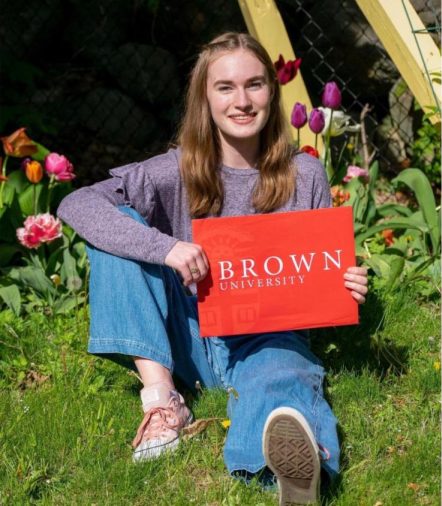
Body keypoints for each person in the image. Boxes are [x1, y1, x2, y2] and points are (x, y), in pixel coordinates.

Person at [58, 32, 367, 505]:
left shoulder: (304, 175)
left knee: (281, 375)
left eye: (255, 85)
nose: (242, 101)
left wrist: (342, 285)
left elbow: (315, 284)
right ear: (205, 98)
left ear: (272, 92)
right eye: (226, 87)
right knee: (118, 229)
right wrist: (165, 248)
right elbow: (79, 203)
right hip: (183, 334)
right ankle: (163, 401)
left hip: (266, 337)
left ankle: (291, 461)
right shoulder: (175, 169)